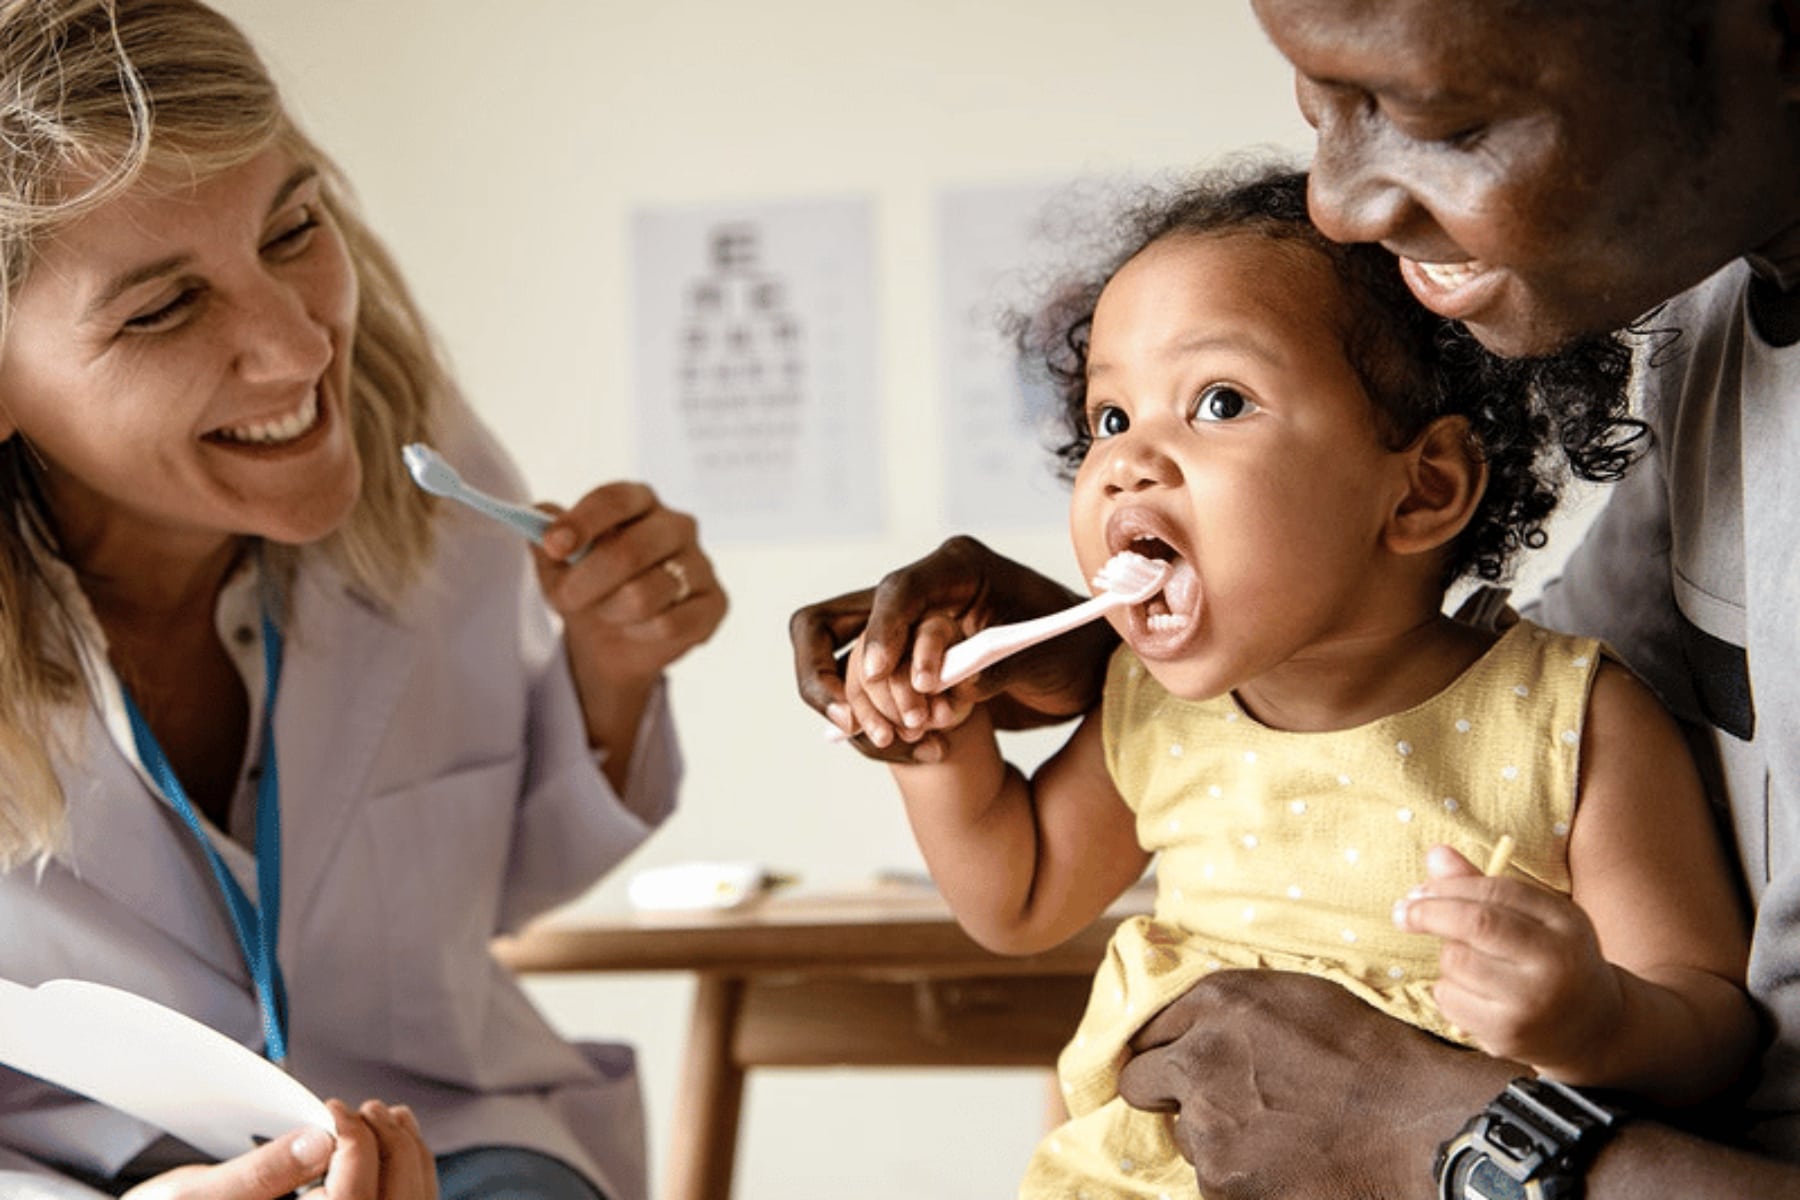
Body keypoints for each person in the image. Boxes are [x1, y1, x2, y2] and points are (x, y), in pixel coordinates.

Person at [793, 0, 1800, 1195]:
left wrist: (1587, 1023)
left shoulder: (1574, 724)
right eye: (1108, 420)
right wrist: (936, 742)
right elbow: (1016, 898)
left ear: (1421, 489)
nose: (1126, 462)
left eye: (1218, 403)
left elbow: (1709, 1028)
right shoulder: (1159, 712)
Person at [0, 3, 726, 1199]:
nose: (296, 351)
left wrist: (611, 669)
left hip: (452, 1136)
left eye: (291, 230)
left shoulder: (441, 485)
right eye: (164, 308)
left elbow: (474, 893)